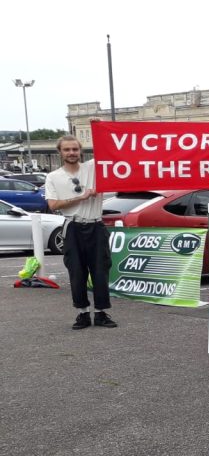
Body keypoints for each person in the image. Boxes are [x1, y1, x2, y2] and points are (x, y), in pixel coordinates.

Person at [44, 136, 117, 330]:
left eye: (75, 149)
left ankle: (101, 312)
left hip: (96, 225)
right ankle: (82, 313)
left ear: (81, 151)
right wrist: (80, 197)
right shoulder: (53, 177)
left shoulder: (93, 167)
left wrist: (100, 126)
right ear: (60, 152)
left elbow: (110, 147)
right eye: (66, 150)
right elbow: (53, 205)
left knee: (101, 270)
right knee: (76, 271)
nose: (71, 153)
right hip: (73, 227)